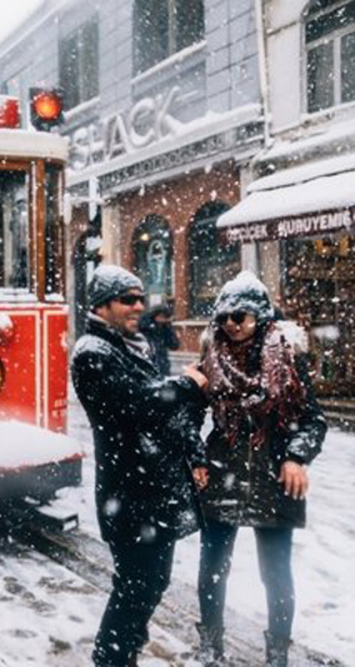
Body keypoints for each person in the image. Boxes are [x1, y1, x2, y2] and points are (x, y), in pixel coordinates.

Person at [70, 265, 208, 667]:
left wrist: (194, 452)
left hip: (152, 491)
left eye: (140, 298)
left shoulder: (134, 345)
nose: (138, 306)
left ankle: (122, 653)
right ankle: (111, 658)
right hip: (128, 493)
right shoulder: (93, 352)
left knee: (151, 582)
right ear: (102, 305)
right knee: (136, 585)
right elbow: (139, 404)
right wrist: (186, 386)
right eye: (127, 299)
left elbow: (165, 414)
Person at [193, 272, 326, 667]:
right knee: (214, 566)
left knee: (276, 573)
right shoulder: (210, 356)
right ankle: (211, 645)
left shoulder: (287, 356)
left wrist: (296, 456)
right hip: (223, 469)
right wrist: (198, 458)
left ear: (262, 316)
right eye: (225, 317)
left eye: (241, 315)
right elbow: (188, 416)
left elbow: (313, 420)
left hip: (273, 473)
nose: (232, 324)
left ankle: (277, 654)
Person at [139, 304, 180, 375]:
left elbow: (174, 345)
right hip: (147, 365)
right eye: (162, 316)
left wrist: (168, 328)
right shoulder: (144, 327)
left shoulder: (165, 328)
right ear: (155, 316)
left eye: (165, 317)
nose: (163, 319)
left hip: (162, 366)